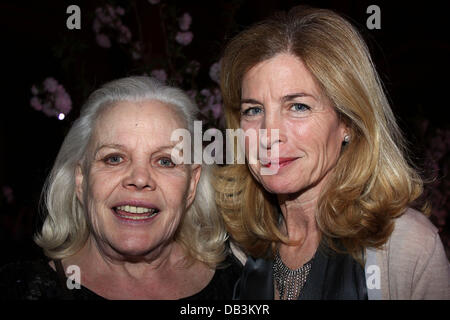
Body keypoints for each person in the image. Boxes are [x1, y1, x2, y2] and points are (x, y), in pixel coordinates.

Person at [214, 6, 450, 299]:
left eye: (298, 106)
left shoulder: (403, 249)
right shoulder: (237, 249)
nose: (269, 134)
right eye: (254, 110)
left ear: (347, 122)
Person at [0, 76, 241, 300]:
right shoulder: (21, 289)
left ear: (192, 185)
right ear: (81, 179)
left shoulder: (243, 283)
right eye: (114, 158)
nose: (139, 178)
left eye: (165, 161)